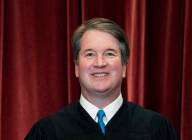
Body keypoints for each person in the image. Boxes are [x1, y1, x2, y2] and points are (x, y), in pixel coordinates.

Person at [25, 18, 178, 140]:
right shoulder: (47, 132)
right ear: (77, 67)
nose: (100, 63)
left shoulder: (157, 129)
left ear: (124, 67)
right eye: (90, 54)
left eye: (110, 53)